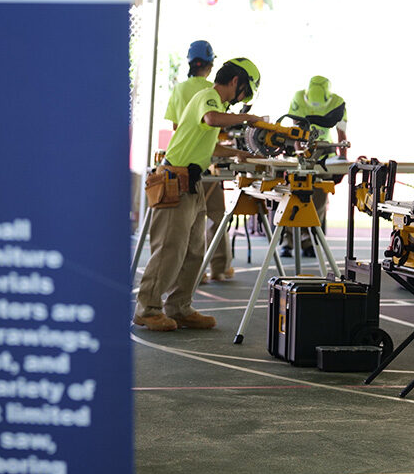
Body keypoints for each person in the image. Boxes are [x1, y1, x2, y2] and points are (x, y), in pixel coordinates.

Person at [135, 58, 264, 331]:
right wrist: (249, 118)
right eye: (245, 91)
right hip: (175, 182)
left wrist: (238, 154)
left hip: (191, 184)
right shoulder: (208, 97)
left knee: (195, 251)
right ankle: (148, 309)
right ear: (236, 81)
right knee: (169, 249)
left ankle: (179, 307)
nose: (242, 99)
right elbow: (211, 119)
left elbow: (210, 146)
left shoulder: (213, 104)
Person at [163, 40, 234, 281]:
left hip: (182, 160)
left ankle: (194, 273)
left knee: (184, 225)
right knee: (216, 214)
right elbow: (219, 124)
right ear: (211, 65)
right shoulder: (214, 90)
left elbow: (177, 127)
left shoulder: (179, 89)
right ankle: (219, 267)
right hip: (207, 161)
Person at [281, 75, 347, 256]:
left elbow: (341, 134)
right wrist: (301, 155)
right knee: (293, 197)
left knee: (318, 201)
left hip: (325, 155)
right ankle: (287, 241)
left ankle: (308, 240)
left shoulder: (337, 103)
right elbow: (296, 131)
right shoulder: (298, 98)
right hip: (302, 152)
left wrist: (342, 159)